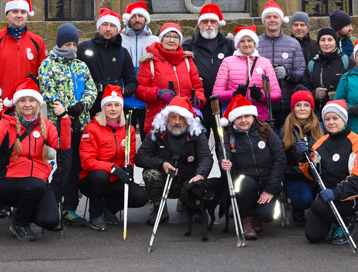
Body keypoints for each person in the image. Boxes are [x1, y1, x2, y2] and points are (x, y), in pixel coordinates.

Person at [0, 78, 70, 241]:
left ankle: (22, 211)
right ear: (16, 103)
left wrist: (64, 118)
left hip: (39, 181)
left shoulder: (47, 124)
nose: (27, 104)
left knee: (50, 221)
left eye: (31, 100)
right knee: (35, 186)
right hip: (9, 181)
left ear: (37, 103)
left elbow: (62, 145)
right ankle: (20, 224)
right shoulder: (6, 123)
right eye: (22, 100)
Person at [38, 23, 98, 228]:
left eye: (74, 44)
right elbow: (47, 91)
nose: (71, 47)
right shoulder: (48, 65)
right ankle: (50, 205)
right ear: (59, 43)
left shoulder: (81, 65)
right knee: (64, 167)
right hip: (60, 124)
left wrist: (83, 105)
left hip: (81, 123)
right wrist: (63, 109)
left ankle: (70, 208)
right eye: (67, 43)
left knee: (76, 168)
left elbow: (91, 89)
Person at [297, 100, 358, 245]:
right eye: (327, 119)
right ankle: (335, 222)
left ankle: (346, 223)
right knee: (313, 236)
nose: (331, 122)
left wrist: (336, 193)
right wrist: (303, 159)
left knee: (317, 206)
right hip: (326, 197)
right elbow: (312, 174)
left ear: (344, 119)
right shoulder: (321, 143)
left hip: (350, 199)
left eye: (335, 118)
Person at [79, 85, 149, 231]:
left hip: (115, 178)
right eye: (109, 105)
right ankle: (96, 214)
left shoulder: (128, 129)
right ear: (103, 107)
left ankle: (109, 208)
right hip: (93, 180)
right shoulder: (91, 128)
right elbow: (87, 162)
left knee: (140, 197)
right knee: (100, 175)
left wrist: (128, 166)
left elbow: (129, 154)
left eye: (117, 105)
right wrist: (112, 168)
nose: (113, 109)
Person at [216, 95, 286, 239]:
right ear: (233, 119)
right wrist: (225, 162)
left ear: (253, 116)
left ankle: (257, 217)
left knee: (267, 215)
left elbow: (280, 159)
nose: (243, 120)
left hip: (267, 181)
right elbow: (224, 154)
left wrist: (270, 189)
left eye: (247, 116)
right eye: (239, 117)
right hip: (244, 181)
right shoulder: (229, 136)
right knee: (246, 183)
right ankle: (246, 219)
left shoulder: (265, 131)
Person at [135, 96, 212, 225]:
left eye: (181, 118)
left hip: (188, 179)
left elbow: (206, 158)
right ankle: (160, 209)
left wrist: (200, 175)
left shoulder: (197, 135)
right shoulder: (157, 133)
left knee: (199, 182)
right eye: (173, 117)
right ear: (166, 119)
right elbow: (140, 157)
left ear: (187, 120)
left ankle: (191, 205)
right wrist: (161, 164)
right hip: (165, 179)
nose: (177, 121)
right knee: (150, 174)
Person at [136, 22, 206, 134]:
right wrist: (157, 93)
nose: (171, 40)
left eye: (175, 37)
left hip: (184, 119)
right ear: (161, 39)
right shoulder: (150, 61)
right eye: (167, 36)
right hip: (159, 119)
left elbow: (198, 86)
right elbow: (139, 90)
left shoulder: (187, 61)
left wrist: (199, 99)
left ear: (180, 40)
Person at [182, 3, 234, 145]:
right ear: (200, 24)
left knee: (223, 145)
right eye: (205, 21)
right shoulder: (188, 46)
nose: (209, 25)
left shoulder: (228, 45)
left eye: (213, 22)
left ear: (218, 24)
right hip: (198, 104)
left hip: (221, 105)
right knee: (199, 147)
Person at [213, 26, 281, 126]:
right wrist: (234, 94)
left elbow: (277, 94)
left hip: (260, 118)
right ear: (237, 44)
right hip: (236, 117)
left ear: (254, 43)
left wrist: (261, 96)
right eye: (242, 41)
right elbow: (216, 94)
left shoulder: (265, 63)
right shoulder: (227, 62)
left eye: (249, 40)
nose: (246, 44)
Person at [77, 8, 137, 116]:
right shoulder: (84, 48)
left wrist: (124, 90)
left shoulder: (122, 52)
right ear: (99, 26)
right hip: (89, 107)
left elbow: (132, 81)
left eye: (112, 26)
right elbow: (76, 78)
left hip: (114, 107)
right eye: (105, 24)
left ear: (118, 29)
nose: (108, 29)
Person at [258, 0, 306, 128]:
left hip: (287, 105)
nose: (272, 20)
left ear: (281, 20)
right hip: (262, 106)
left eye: (275, 16)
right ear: (264, 20)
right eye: (268, 17)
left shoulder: (293, 43)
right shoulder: (255, 43)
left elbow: (301, 73)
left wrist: (287, 75)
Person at [279, 90, 324, 222]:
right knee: (303, 200)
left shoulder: (320, 127)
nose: (302, 108)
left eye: (306, 105)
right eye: (298, 105)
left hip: (316, 175)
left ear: (311, 108)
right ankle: (297, 207)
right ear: (293, 108)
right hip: (295, 175)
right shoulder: (285, 129)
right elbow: (280, 157)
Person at [120, 1, 159, 141]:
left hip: (147, 99)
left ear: (146, 19)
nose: (137, 20)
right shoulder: (119, 40)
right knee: (124, 141)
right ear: (128, 19)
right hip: (125, 99)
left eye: (140, 16)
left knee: (149, 140)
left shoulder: (155, 40)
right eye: (133, 16)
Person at [300, 27, 351, 117]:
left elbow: (354, 87)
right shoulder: (313, 63)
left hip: (342, 113)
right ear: (318, 43)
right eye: (323, 40)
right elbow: (304, 87)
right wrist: (313, 94)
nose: (326, 43)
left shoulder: (346, 62)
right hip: (318, 114)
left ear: (335, 42)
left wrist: (338, 95)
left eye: (330, 40)